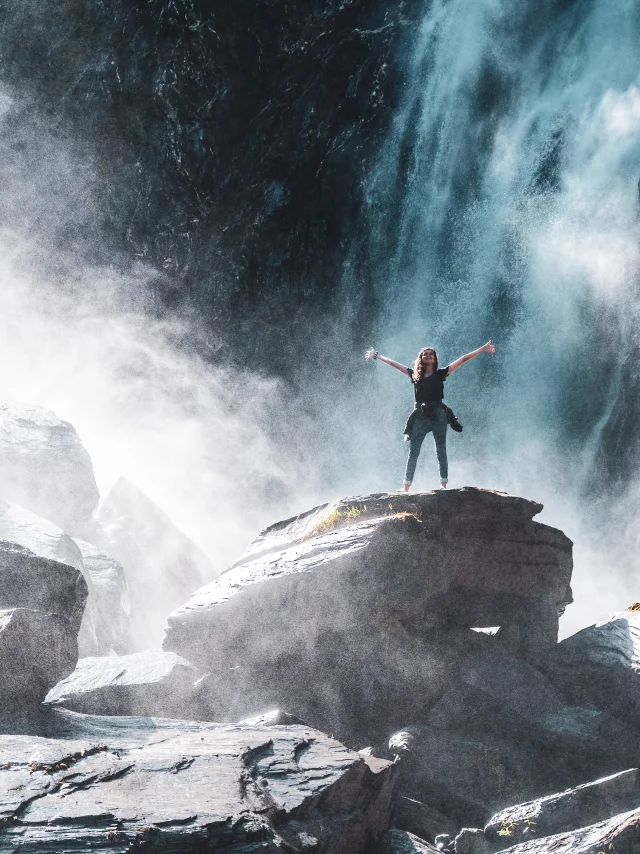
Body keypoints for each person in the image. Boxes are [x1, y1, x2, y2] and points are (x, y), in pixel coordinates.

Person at [365, 340, 495, 491]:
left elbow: (463, 359)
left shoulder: (441, 373)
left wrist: (484, 349)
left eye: (430, 354)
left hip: (439, 413)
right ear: (421, 358)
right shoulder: (414, 375)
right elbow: (395, 364)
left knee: (441, 449)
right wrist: (377, 356)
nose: (428, 356)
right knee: (414, 450)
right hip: (420, 415)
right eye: (425, 354)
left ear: (434, 358)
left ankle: (443, 484)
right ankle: (406, 487)